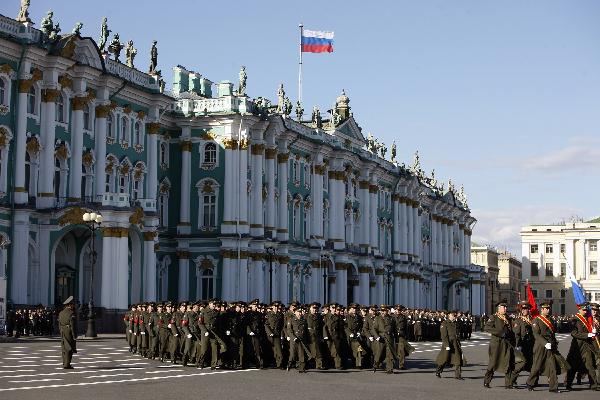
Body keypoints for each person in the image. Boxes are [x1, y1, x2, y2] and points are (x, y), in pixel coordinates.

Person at [526, 301, 570, 393]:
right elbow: (536, 334)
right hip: (540, 346)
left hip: (550, 346)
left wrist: (554, 342)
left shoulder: (550, 319)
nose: (548, 310)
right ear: (542, 310)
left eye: (549, 308)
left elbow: (552, 333)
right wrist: (545, 343)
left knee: (552, 366)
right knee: (537, 366)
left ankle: (553, 387)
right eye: (546, 308)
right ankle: (530, 382)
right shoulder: (536, 320)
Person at [565, 302, 599, 391]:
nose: (585, 311)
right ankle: (568, 383)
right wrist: (587, 335)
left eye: (586, 310)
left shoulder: (588, 319)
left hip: (587, 346)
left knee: (590, 365)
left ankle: (594, 385)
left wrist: (593, 331)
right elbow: (574, 333)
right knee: (573, 366)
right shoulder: (575, 320)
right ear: (579, 309)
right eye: (583, 310)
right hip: (577, 346)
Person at [483, 300, 515, 389]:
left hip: (507, 343)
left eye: (506, 307)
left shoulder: (507, 318)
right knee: (493, 363)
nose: (505, 309)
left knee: (508, 362)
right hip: (497, 344)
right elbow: (487, 327)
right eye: (503, 307)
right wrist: (500, 333)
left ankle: (508, 384)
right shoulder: (494, 317)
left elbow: (511, 330)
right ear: (499, 308)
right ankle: (487, 381)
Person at [510, 301, 535, 387]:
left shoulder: (532, 320)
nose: (524, 311)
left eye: (526, 309)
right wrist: (517, 346)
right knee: (521, 364)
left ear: (528, 310)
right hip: (522, 345)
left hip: (531, 345)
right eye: (523, 309)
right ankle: (512, 381)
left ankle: (533, 382)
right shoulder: (518, 320)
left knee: (533, 363)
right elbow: (516, 334)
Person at [435, 310, 464, 379]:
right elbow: (444, 335)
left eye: (455, 315)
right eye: (453, 315)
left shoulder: (455, 323)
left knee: (457, 358)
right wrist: (446, 345)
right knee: (444, 359)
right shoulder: (445, 323)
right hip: (448, 343)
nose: (454, 317)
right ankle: (438, 371)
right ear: (449, 315)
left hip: (455, 343)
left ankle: (458, 375)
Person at [58, 296, 77, 369]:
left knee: (64, 347)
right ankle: (67, 364)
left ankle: (64, 362)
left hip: (62, 331)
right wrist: (74, 335)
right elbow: (73, 325)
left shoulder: (61, 313)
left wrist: (61, 331)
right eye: (73, 304)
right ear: (69, 305)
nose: (73, 305)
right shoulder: (71, 313)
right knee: (69, 347)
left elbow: (59, 324)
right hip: (68, 331)